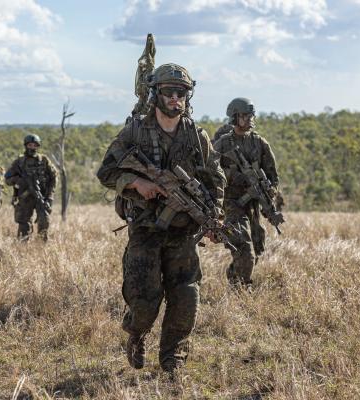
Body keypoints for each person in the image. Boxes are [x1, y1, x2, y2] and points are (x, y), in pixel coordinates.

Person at [96, 64, 225, 373]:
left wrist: (213, 215)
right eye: (169, 92)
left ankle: (172, 358)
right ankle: (137, 334)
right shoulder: (136, 130)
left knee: (186, 298)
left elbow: (214, 178)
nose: (175, 99)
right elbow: (106, 172)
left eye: (181, 93)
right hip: (145, 229)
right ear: (156, 94)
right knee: (144, 300)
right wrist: (136, 184)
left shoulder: (196, 135)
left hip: (183, 232)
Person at [213, 98, 280, 287]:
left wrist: (269, 193)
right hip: (232, 203)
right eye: (245, 115)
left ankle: (235, 276)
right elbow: (208, 171)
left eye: (251, 115)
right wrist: (232, 176)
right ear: (235, 117)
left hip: (253, 204)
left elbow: (273, 176)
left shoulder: (259, 143)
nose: (250, 119)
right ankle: (243, 288)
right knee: (244, 249)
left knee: (258, 249)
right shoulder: (223, 144)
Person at [4, 134, 57, 241]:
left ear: (38, 146)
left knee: (44, 220)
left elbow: (54, 177)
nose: (32, 148)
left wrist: (50, 196)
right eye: (30, 145)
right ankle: (22, 248)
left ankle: (41, 246)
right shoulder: (19, 162)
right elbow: (7, 179)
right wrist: (19, 181)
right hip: (25, 198)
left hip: (41, 196)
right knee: (24, 224)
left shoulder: (44, 160)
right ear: (26, 146)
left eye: (34, 145)